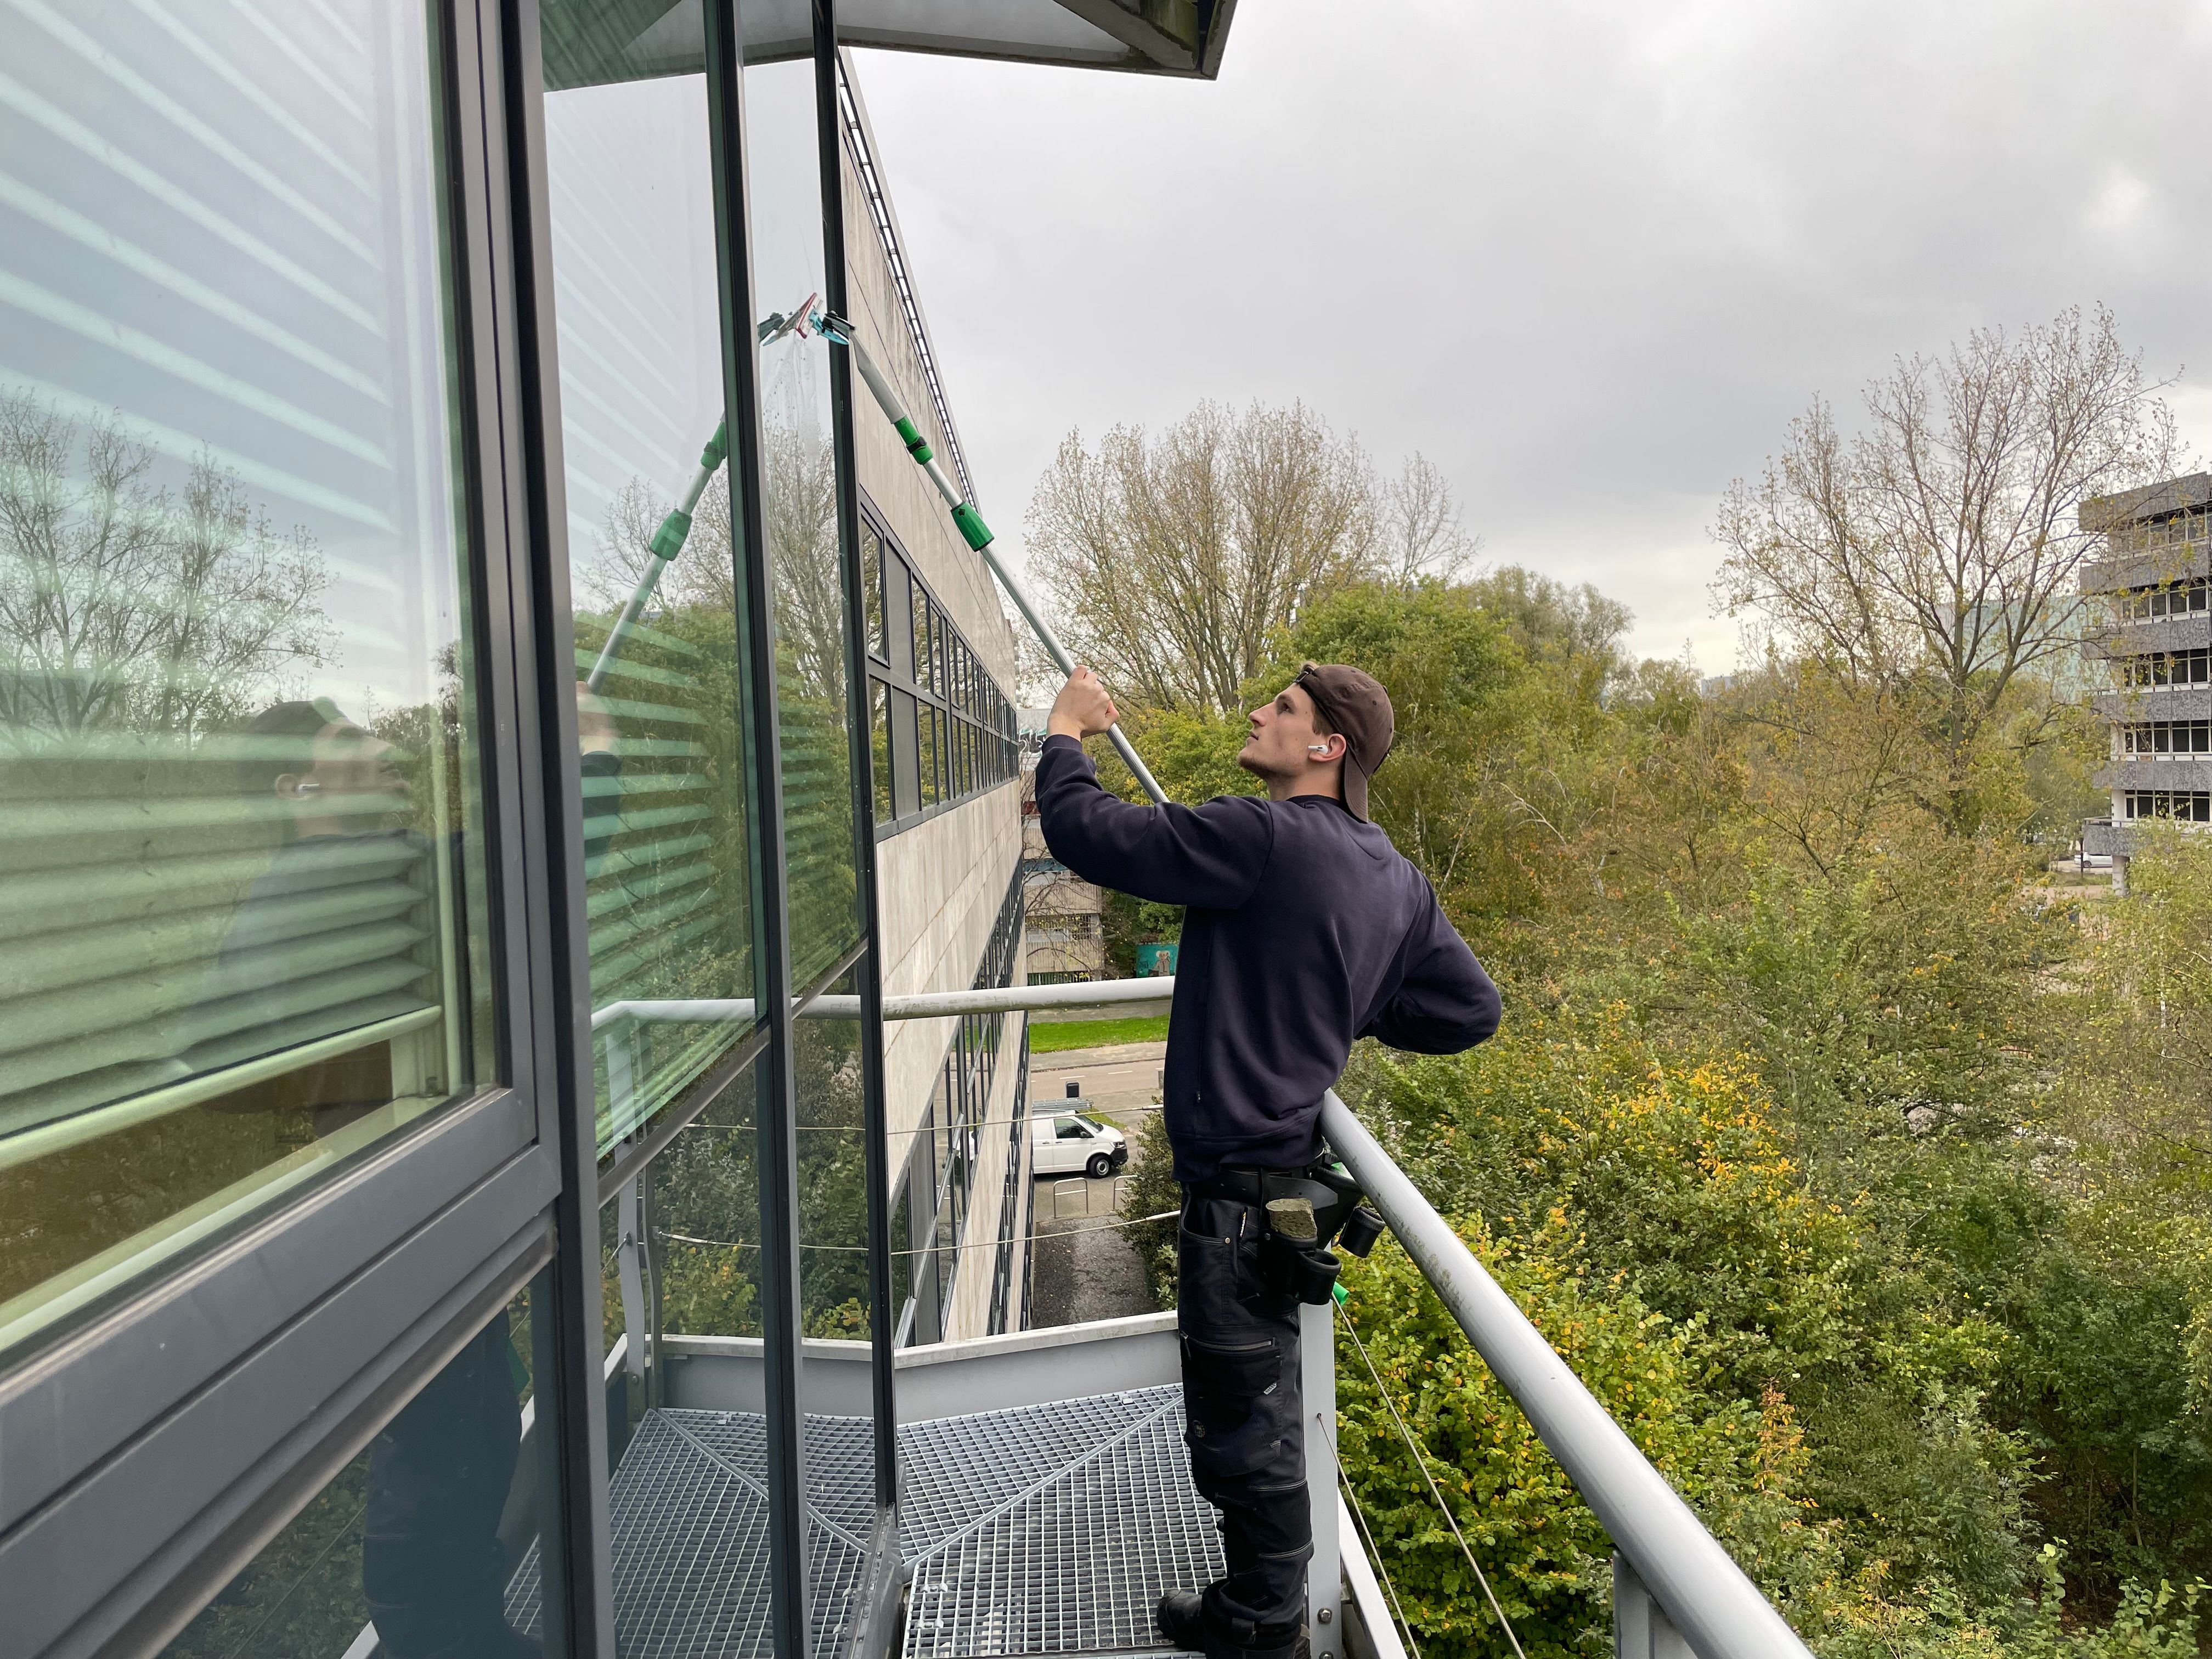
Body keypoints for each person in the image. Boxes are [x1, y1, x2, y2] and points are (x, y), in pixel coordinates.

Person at [1034, 662, 1501, 1659]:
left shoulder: (1261, 837)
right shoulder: (1394, 877)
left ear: (1326, 747)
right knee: (1258, 1409)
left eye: (1283, 709)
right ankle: (1264, 1608)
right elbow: (1469, 1012)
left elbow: (1088, 834)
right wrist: (1340, 1006)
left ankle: (1258, 1623)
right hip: (1279, 1189)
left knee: (1242, 1426)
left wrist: (1066, 732)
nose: (1259, 713)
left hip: (1240, 1201)